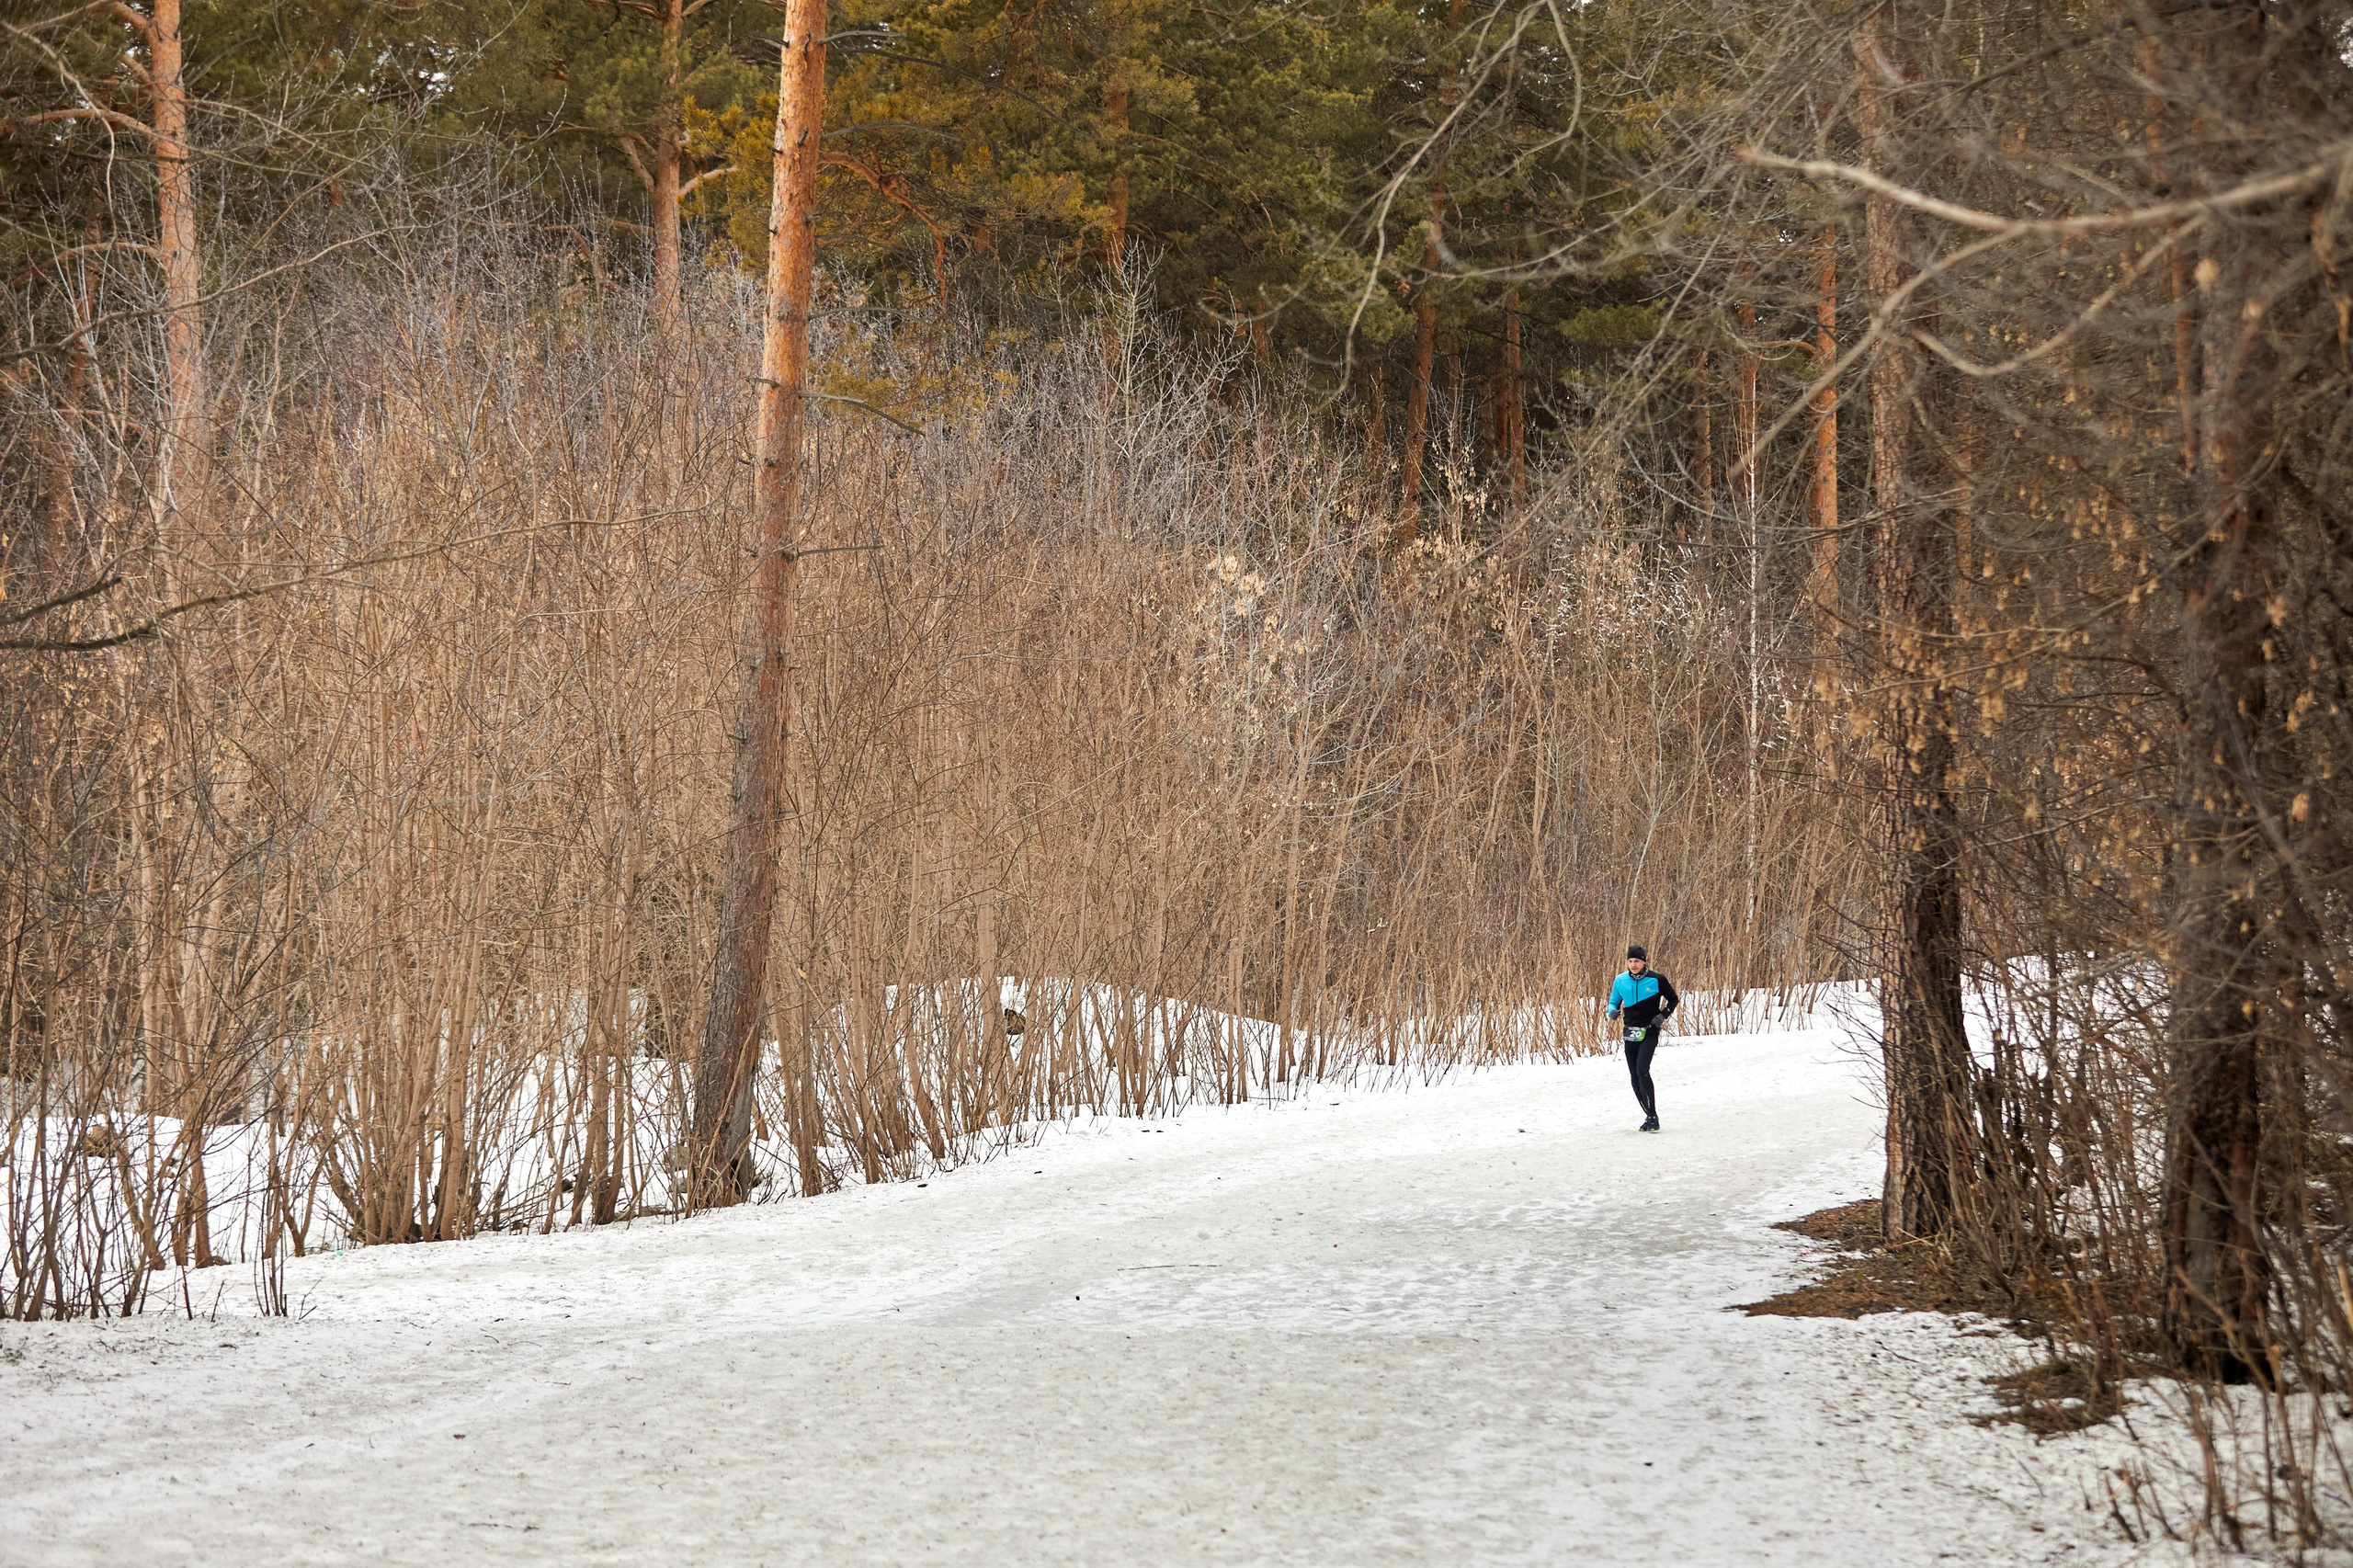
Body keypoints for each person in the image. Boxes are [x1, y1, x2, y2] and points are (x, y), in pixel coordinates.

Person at [1606, 945, 1679, 1132]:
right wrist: (1612, 1011)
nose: (1633, 964)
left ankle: (1653, 1115)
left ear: (1644, 961)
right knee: (1634, 1075)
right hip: (1631, 1031)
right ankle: (1649, 1114)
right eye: (1630, 961)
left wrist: (1663, 1015)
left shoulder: (1657, 979)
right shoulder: (1620, 980)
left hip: (1650, 1031)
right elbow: (1614, 1001)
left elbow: (1673, 999)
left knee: (1642, 1070)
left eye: (1637, 961)